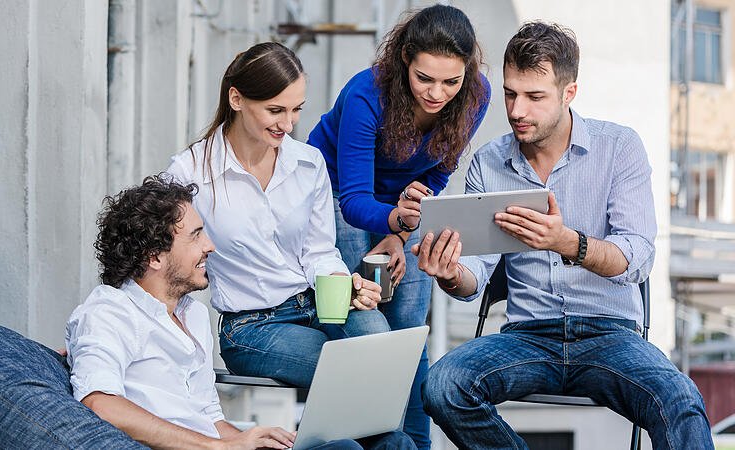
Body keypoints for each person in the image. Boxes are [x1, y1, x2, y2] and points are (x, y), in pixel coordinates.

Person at [412, 22, 714, 449]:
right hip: (527, 336)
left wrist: (567, 242)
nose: (517, 110)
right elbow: (473, 275)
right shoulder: (489, 162)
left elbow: (638, 259)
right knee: (443, 386)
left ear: (569, 93)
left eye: (535, 97)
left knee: (681, 399)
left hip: (610, 335)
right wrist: (448, 273)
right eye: (510, 93)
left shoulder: (619, 148)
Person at [67, 176, 403, 449]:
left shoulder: (192, 315)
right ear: (154, 255)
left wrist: (249, 439)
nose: (210, 246)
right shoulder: (109, 312)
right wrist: (220, 447)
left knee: (389, 443)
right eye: (196, 236)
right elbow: (101, 404)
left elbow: (211, 420)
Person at [165, 43, 398, 397]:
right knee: (351, 373)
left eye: (296, 110)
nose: (288, 125)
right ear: (237, 99)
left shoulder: (309, 163)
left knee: (378, 340)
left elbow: (319, 251)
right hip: (250, 327)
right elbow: (168, 262)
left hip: (317, 302)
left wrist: (343, 285)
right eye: (275, 110)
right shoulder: (190, 173)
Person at [306, 5, 490, 448]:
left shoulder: (477, 95)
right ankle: (375, 439)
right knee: (365, 316)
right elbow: (352, 201)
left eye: (451, 80)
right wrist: (395, 218)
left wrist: (400, 233)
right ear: (405, 57)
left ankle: (414, 443)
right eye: (425, 78)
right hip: (335, 190)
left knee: (408, 326)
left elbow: (438, 173)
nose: (438, 93)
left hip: (401, 208)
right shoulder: (366, 95)